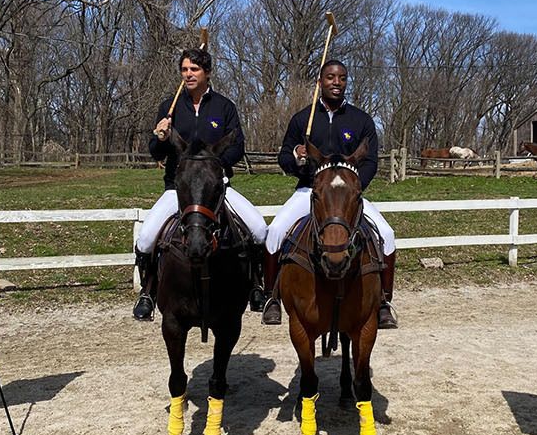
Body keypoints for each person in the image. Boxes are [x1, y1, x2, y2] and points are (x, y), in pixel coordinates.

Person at [132, 48, 270, 321]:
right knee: (146, 239)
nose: (188, 74)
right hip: (178, 190)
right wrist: (160, 137)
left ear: (207, 73)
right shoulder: (170, 107)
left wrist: (215, 167)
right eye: (184, 69)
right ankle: (147, 292)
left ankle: (256, 286)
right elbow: (156, 153)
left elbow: (237, 146)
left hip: (217, 189)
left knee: (259, 229)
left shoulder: (224, 107)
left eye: (194, 69)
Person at [261, 59, 398, 328]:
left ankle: (384, 301)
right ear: (320, 82)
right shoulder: (303, 119)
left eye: (342, 78)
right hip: (309, 191)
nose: (337, 82)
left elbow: (370, 161)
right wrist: (296, 156)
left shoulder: (361, 120)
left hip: (348, 196)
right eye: (331, 77)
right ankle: (271, 297)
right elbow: (284, 157)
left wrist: (354, 189)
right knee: (274, 232)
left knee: (387, 234)